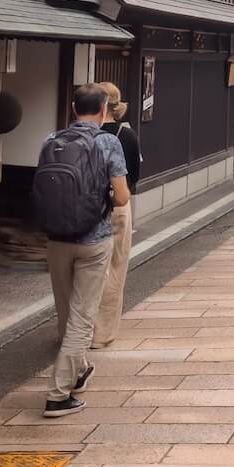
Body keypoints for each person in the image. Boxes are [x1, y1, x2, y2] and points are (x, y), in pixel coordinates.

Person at [33, 84, 129, 417]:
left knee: (65, 312)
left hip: (56, 238)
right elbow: (121, 197)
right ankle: (58, 394)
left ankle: (79, 369)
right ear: (104, 110)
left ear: (74, 108)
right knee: (82, 319)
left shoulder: (50, 140)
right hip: (93, 240)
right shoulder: (108, 142)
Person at [92, 81, 141, 348]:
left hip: (84, 207)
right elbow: (133, 176)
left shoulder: (81, 134)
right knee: (114, 269)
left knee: (85, 272)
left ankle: (78, 330)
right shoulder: (126, 135)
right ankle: (101, 335)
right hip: (117, 204)